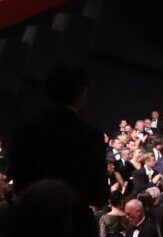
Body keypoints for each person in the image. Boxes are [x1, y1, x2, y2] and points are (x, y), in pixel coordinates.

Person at [11, 65, 110, 211]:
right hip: (74, 224)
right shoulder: (90, 135)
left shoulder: (24, 133)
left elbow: (20, 186)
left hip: (34, 224)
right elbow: (98, 195)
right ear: (82, 91)